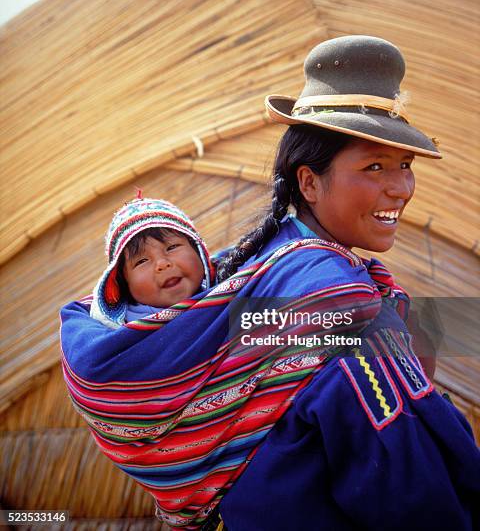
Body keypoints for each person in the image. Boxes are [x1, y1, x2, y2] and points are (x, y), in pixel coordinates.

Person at [61, 36, 480, 531]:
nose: (401, 187)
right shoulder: (330, 293)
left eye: (405, 165)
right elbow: (405, 479)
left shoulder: (263, 263)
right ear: (309, 183)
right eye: (374, 166)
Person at [88, 195, 215, 329]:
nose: (162, 264)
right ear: (125, 284)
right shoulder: (121, 335)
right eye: (142, 261)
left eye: (172, 247)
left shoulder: (231, 286)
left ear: (199, 251)